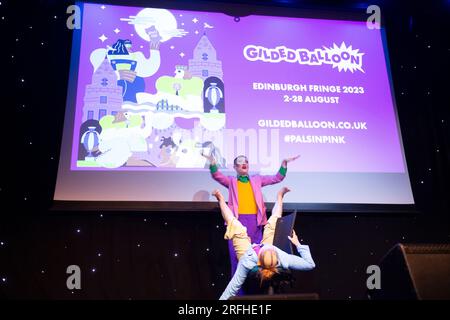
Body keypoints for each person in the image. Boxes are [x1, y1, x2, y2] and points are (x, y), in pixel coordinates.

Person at [202, 153, 300, 277]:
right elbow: (217, 175)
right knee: (237, 257)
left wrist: (284, 163)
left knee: (258, 255)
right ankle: (238, 293)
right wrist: (212, 161)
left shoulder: (257, 179)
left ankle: (256, 288)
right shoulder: (231, 181)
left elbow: (277, 178)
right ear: (235, 167)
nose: (244, 163)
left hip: (255, 221)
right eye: (240, 161)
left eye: (246, 161)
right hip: (238, 221)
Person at [212, 187, 315, 300]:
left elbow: (233, 287)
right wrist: (298, 244)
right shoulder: (282, 257)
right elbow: (310, 264)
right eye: (271, 249)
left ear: (259, 259)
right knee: (273, 223)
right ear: (276, 256)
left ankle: (220, 199)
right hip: (261, 255)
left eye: (267, 249)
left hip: (246, 251)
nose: (268, 247)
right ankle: (280, 196)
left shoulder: (247, 262)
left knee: (236, 227)